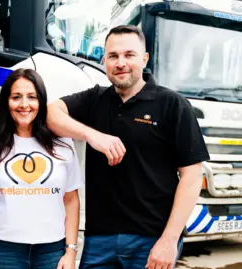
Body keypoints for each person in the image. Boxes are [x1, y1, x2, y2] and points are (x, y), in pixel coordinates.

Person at [47, 25, 210, 269]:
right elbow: (50, 113)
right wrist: (93, 136)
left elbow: (192, 177)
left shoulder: (172, 105)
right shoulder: (95, 99)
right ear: (104, 61)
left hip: (151, 240)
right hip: (98, 240)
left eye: (129, 55)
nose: (120, 62)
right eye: (113, 56)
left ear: (144, 59)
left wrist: (169, 240)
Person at [0, 68, 83, 269]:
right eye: (16, 97)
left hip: (51, 249)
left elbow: (71, 200)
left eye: (32, 97)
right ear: (6, 101)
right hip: (1, 249)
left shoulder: (62, 143)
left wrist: (70, 251)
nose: (24, 105)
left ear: (41, 101)